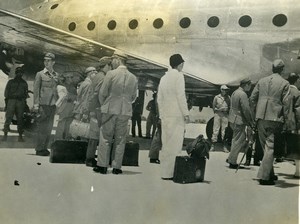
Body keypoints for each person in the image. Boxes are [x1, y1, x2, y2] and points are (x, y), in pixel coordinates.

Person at [93, 51, 138, 174]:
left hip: (110, 110)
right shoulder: (133, 78)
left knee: (105, 137)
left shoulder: (111, 74)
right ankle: (117, 167)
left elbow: (102, 93)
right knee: (120, 139)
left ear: (118, 60)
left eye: (113, 59)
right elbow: (134, 97)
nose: (112, 62)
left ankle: (102, 166)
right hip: (125, 111)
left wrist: (105, 105)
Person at [249, 59, 291, 185]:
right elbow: (287, 104)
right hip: (275, 118)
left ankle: (270, 173)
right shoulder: (285, 83)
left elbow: (252, 99)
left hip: (261, 117)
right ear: (282, 69)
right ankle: (264, 177)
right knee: (270, 147)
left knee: (265, 147)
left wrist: (255, 113)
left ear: (272, 69)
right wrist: (287, 121)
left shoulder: (262, 81)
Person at [157, 54, 190, 180]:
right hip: (176, 115)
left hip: (166, 115)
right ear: (180, 64)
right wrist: (186, 113)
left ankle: (165, 173)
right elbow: (181, 96)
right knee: (175, 145)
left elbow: (159, 99)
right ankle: (172, 173)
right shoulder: (179, 76)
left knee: (166, 144)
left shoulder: (163, 78)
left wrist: (161, 114)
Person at [85, 56, 112, 167]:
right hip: (98, 109)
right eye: (109, 65)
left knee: (94, 135)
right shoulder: (102, 77)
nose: (110, 67)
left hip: (94, 108)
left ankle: (90, 158)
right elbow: (98, 94)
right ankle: (90, 159)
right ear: (105, 66)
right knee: (96, 136)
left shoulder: (97, 76)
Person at [33, 52, 59, 156]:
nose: (46, 62)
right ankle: (39, 149)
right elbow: (36, 90)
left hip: (52, 105)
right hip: (43, 105)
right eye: (45, 60)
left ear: (53, 62)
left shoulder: (56, 75)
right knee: (42, 128)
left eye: (48, 61)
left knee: (49, 128)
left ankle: (44, 148)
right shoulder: (40, 74)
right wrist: (36, 105)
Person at [226, 78, 254, 169]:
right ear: (246, 85)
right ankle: (232, 161)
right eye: (250, 86)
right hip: (239, 120)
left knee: (236, 140)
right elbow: (246, 109)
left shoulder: (235, 92)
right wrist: (250, 121)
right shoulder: (243, 94)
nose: (250, 88)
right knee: (238, 141)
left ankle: (231, 158)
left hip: (232, 119)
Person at [2, 66, 28, 142]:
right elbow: (6, 93)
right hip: (12, 101)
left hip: (18, 102)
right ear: (16, 73)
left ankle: (20, 136)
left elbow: (25, 94)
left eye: (20, 73)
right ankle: (5, 135)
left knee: (20, 119)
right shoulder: (11, 82)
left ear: (22, 74)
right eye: (18, 73)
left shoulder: (23, 83)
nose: (19, 74)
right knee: (8, 118)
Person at [54, 73, 77, 140]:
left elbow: (75, 97)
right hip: (63, 107)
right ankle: (58, 140)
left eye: (71, 77)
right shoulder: (61, 87)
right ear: (64, 79)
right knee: (61, 125)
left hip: (70, 108)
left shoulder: (73, 88)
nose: (70, 79)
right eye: (68, 77)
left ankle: (66, 140)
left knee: (68, 126)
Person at [286, 73, 300, 178]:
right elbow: (298, 110)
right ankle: (298, 172)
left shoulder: (283, 90)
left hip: (281, 122)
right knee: (296, 148)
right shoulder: (297, 92)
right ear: (296, 81)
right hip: (293, 124)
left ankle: (270, 171)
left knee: (276, 146)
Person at [210, 85, 231, 152]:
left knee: (224, 130)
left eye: (226, 90)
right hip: (218, 114)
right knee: (215, 129)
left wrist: (226, 109)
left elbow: (230, 106)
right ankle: (213, 146)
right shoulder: (216, 97)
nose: (225, 91)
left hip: (225, 115)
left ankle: (225, 146)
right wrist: (219, 109)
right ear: (221, 90)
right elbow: (214, 107)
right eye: (224, 89)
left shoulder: (228, 98)